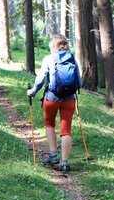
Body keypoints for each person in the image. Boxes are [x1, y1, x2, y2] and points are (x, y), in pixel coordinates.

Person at [26, 34, 82, 172]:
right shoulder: (73, 59)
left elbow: (40, 80)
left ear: (53, 46)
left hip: (52, 98)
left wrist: (33, 91)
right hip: (69, 99)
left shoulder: (49, 59)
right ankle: (65, 162)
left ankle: (53, 156)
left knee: (50, 124)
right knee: (66, 130)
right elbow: (80, 82)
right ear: (66, 45)